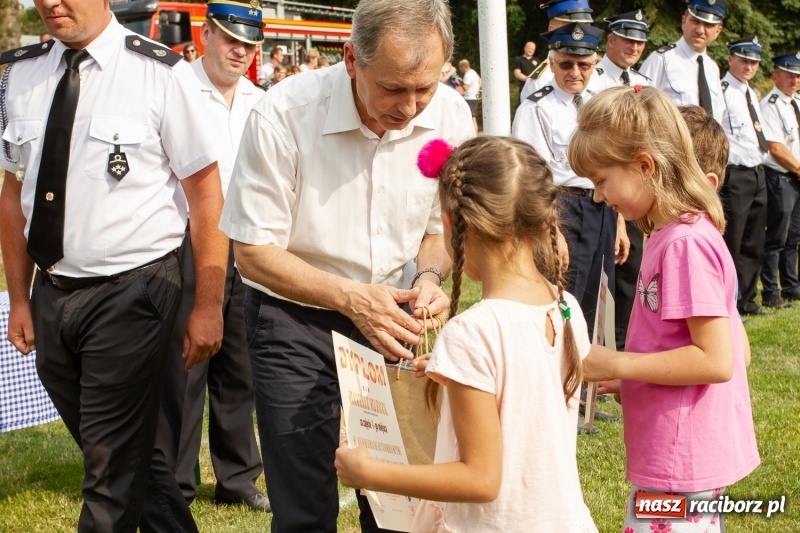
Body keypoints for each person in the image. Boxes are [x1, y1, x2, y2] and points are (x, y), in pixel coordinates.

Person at [218, 0, 474, 531]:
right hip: (295, 319)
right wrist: (352, 299)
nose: (409, 108)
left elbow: (439, 231)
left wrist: (429, 276)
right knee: (303, 500)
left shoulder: (450, 114)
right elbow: (253, 250)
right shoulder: (284, 112)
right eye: (393, 89)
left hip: (397, 315)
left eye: (423, 89)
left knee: (397, 496)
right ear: (351, 60)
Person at [0, 0, 229, 531]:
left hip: (134, 292)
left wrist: (209, 304)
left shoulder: (161, 75)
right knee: (128, 455)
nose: (50, 3)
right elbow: (14, 195)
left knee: (107, 471)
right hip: (53, 293)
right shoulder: (21, 76)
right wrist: (18, 297)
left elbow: (207, 196)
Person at [335, 136, 598, 533]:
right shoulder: (564, 306)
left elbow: (480, 479)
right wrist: (452, 370)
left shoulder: (473, 331)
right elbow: (524, 385)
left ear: (451, 224)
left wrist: (370, 472)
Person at [569, 86, 760, 533]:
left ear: (644, 165)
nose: (598, 197)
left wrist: (616, 360)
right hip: (679, 453)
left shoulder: (685, 244)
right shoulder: (673, 234)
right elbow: (731, 349)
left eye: (601, 180)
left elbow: (718, 359)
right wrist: (630, 377)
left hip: (681, 461)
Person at [155, 0, 269, 513]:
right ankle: (176, 483)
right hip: (188, 242)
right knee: (185, 367)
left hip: (246, 243)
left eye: (249, 44)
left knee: (240, 367)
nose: (240, 52)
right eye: (230, 40)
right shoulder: (173, 86)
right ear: (205, 34)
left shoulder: (262, 100)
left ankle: (238, 478)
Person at [513, 22, 628, 343]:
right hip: (563, 208)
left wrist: (618, 223)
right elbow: (532, 177)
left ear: (595, 63)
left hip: (603, 207)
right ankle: (558, 376)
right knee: (564, 295)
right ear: (551, 64)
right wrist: (550, 228)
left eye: (584, 64)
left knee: (597, 295)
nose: (575, 72)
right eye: (566, 63)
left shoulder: (602, 106)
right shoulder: (536, 108)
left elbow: (615, 162)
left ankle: (586, 379)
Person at [595, 9, 650, 350]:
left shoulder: (643, 83)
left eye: (640, 41)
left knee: (634, 272)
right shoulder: (594, 78)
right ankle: (605, 346)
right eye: (627, 39)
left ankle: (628, 344)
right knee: (603, 276)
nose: (633, 47)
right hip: (602, 188)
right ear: (611, 39)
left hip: (639, 188)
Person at [719, 36, 770, 316]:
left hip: (758, 173)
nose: (749, 65)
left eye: (754, 61)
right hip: (735, 175)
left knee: (754, 240)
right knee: (733, 240)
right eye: (744, 59)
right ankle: (729, 303)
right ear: (731, 59)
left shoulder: (750, 93)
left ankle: (748, 299)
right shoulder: (723, 90)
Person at [639, 0, 728, 123]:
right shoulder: (661, 59)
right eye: (695, 21)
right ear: (683, 21)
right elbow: (639, 107)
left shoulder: (712, 68)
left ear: (718, 31)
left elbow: (719, 115)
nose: (700, 30)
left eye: (708, 25)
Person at [759, 52, 800, 309]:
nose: (794, 80)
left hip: (795, 177)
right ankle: (770, 291)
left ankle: (791, 286)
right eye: (789, 75)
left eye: (797, 76)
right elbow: (775, 147)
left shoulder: (796, 102)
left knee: (794, 236)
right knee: (776, 238)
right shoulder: (770, 104)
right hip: (781, 177)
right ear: (775, 76)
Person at [519, 0, 595, 102]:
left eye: (586, 26)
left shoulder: (595, 74)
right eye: (572, 27)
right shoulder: (541, 81)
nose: (581, 33)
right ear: (552, 30)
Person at [458, 58, 481, 133]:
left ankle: (473, 134)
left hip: (469, 98)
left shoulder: (468, 75)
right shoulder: (474, 72)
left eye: (460, 67)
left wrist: (459, 82)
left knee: (471, 117)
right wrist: (477, 90)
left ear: (463, 66)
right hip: (474, 97)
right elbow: (480, 81)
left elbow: (466, 87)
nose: (460, 69)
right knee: (473, 116)